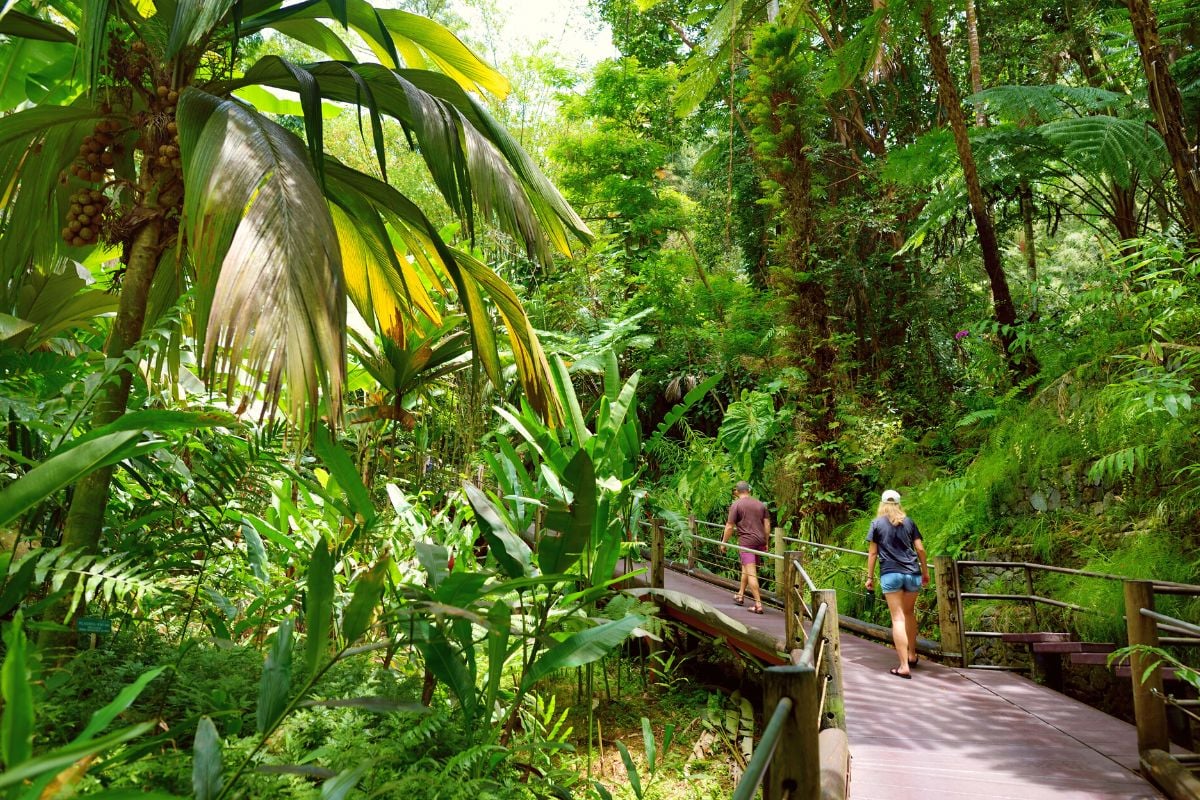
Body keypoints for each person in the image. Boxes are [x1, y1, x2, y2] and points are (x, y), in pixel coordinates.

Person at [865, 489, 930, 679]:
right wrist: (925, 572)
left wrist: (869, 577)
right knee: (909, 614)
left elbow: (872, 553)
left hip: (891, 574)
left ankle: (903, 667)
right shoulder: (909, 522)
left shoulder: (876, 524)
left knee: (898, 618)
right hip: (912, 573)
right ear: (899, 504)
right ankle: (911, 655)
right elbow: (920, 549)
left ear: (882, 504)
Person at [721, 481, 771, 614]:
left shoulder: (736, 504)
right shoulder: (761, 504)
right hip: (759, 541)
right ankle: (740, 594)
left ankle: (758, 605)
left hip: (747, 543)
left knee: (751, 573)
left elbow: (730, 526)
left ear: (737, 491)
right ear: (749, 490)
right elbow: (767, 525)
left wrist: (724, 543)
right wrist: (766, 541)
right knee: (746, 568)